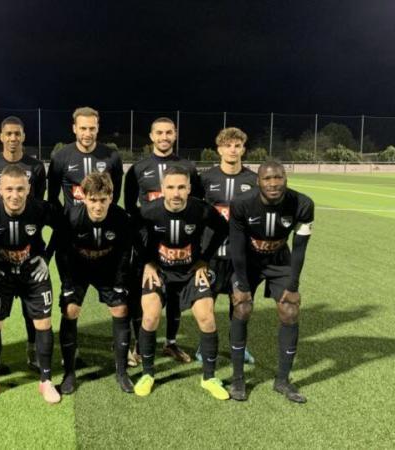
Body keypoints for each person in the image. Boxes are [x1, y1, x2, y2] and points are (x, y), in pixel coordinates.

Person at [0, 165, 61, 404]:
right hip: (0, 274)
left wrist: (46, 257)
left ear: (28, 190)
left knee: (43, 322)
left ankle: (46, 381)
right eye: (9, 189)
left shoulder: (40, 208)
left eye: (20, 189)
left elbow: (62, 228)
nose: (14, 195)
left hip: (32, 273)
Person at [134, 165, 229, 399]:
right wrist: (147, 262)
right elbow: (133, 234)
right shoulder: (148, 211)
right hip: (161, 272)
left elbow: (222, 229)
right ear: (162, 189)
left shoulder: (201, 209)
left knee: (207, 317)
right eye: (170, 187)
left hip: (190, 273)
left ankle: (209, 378)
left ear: (188, 188)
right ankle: (147, 374)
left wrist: (204, 260)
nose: (176, 193)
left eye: (181, 187)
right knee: (150, 315)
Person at [228, 161, 314, 403]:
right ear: (258, 181)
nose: (273, 183)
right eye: (267, 179)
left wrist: (293, 287)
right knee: (242, 307)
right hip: (249, 261)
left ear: (286, 178)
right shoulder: (241, 204)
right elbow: (236, 247)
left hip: (279, 261)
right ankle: (238, 379)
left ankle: (283, 381)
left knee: (289, 310)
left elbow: (299, 249)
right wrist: (243, 286)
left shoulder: (303, 204)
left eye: (278, 177)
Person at [123, 117, 203, 365]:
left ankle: (171, 343)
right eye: (159, 132)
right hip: (148, 245)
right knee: (143, 292)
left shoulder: (187, 167)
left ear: (175, 134)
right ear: (151, 136)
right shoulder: (138, 168)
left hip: (179, 245)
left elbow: (197, 206)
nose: (164, 137)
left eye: (169, 132)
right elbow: (130, 209)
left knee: (176, 296)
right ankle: (139, 343)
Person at [0, 115, 47, 370]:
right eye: (9, 134)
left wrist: (41, 252)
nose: (13, 138)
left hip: (31, 245)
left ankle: (33, 352)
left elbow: (38, 206)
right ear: (1, 137)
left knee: (34, 307)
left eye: (18, 134)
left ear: (23, 136)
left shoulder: (36, 167)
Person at [54, 172, 134, 394]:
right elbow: (62, 254)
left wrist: (120, 283)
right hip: (78, 270)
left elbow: (124, 254)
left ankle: (121, 372)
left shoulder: (121, 218)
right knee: (70, 309)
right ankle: (69, 373)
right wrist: (68, 284)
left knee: (120, 308)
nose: (98, 206)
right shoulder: (71, 216)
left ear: (111, 197)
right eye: (93, 200)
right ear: (84, 198)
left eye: (103, 200)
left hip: (107, 269)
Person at [196, 127, 256, 364]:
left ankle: (239, 346)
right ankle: (205, 346)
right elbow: (197, 214)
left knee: (240, 303)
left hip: (240, 256)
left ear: (243, 149)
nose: (233, 150)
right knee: (205, 303)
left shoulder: (252, 180)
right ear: (219, 149)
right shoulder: (206, 178)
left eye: (237, 145)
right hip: (210, 254)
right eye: (228, 145)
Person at [47, 107, 123, 210]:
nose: (87, 134)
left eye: (92, 128)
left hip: (102, 222)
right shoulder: (60, 157)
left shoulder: (113, 156)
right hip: (72, 225)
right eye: (83, 128)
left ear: (97, 128)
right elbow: (52, 198)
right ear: (74, 128)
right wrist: (63, 221)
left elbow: (115, 195)